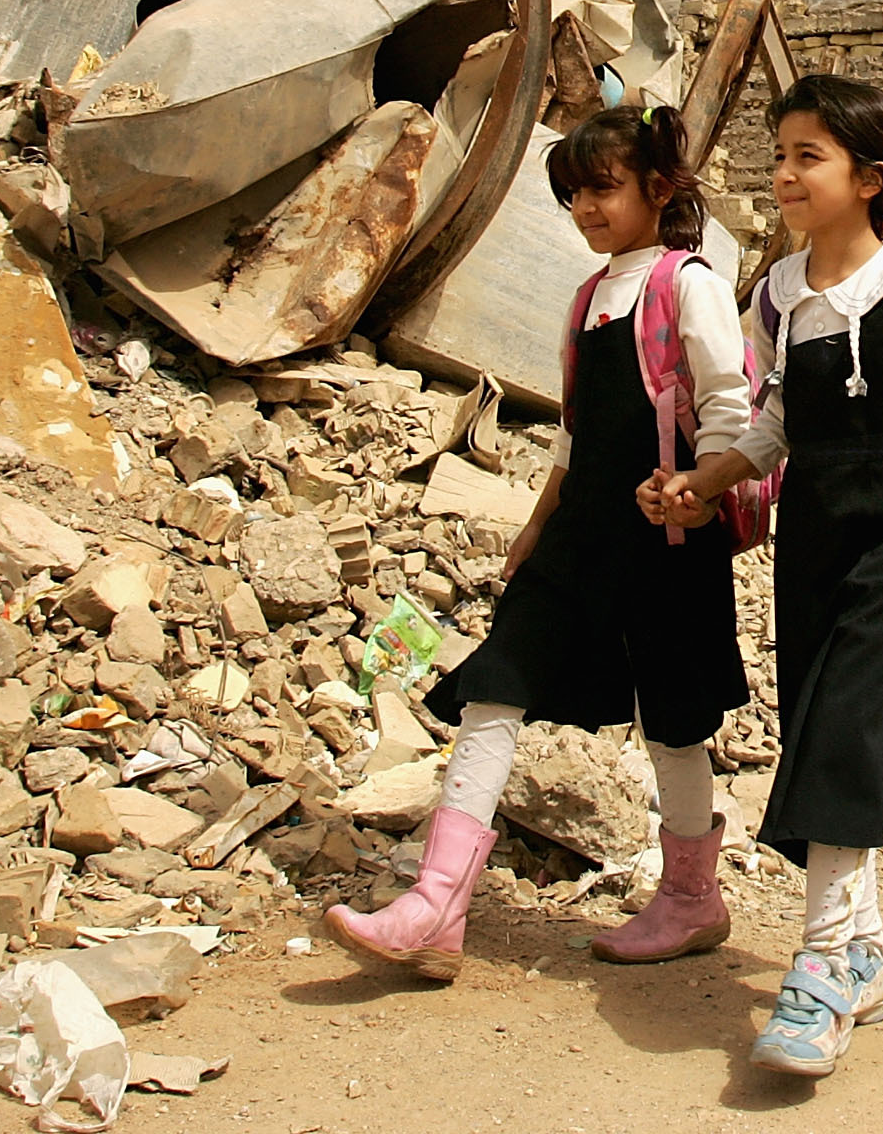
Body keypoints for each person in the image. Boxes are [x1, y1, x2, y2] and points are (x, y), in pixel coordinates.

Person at [321, 104, 752, 981]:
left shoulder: (688, 281)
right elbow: (573, 431)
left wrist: (699, 496)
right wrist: (534, 523)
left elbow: (729, 409)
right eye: (574, 196)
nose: (587, 210)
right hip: (582, 535)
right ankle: (436, 904)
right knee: (497, 686)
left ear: (657, 189)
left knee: (673, 719)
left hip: (669, 539)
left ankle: (690, 898)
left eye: (603, 189)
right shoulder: (589, 299)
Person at [656, 73, 883, 1081]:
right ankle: (865, 949)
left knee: (850, 726)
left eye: (808, 155)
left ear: (869, 176)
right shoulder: (776, 292)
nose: (784, 174)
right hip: (814, 534)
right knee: (815, 721)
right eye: (782, 154)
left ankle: (816, 973)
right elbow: (772, 428)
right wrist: (704, 478)